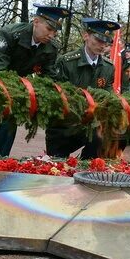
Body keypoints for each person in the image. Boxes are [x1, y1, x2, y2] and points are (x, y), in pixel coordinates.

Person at [0, 4, 70, 156]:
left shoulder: (50, 48)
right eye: (49, 29)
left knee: (11, 113)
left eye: (55, 31)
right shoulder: (10, 34)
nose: (52, 35)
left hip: (17, 84)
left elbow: (49, 76)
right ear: (36, 21)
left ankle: (0, 158)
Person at [45, 18, 118, 159]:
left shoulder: (108, 68)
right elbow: (59, 98)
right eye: (98, 40)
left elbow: (109, 98)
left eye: (106, 42)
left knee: (104, 134)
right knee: (56, 168)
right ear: (86, 36)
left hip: (89, 126)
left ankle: (85, 166)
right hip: (63, 127)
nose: (103, 45)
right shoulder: (66, 62)